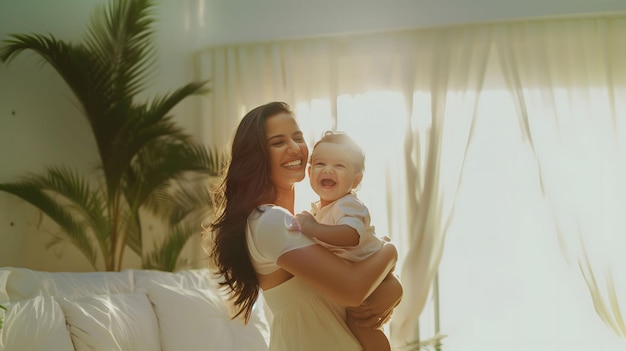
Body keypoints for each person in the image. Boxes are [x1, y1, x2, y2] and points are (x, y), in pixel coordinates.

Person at [207, 102, 403, 351]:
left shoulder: (308, 219)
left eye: (297, 137)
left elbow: (350, 284)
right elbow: (352, 289)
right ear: (257, 155)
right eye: (278, 142)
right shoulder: (270, 221)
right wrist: (391, 251)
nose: (294, 147)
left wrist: (393, 287)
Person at [292, 130, 394, 351]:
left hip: (372, 273)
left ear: (356, 180)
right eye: (320, 164)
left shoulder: (348, 205)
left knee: (363, 324)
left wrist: (313, 228)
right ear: (309, 173)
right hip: (361, 273)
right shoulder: (321, 209)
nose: (328, 169)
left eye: (340, 166)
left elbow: (350, 236)